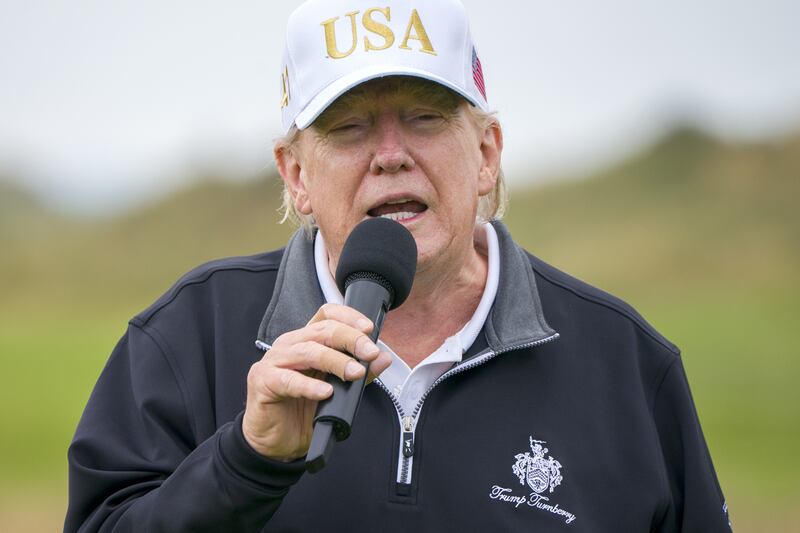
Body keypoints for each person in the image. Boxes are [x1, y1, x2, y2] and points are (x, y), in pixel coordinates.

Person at [65, 0, 732, 531]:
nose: (389, 153)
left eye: (424, 116)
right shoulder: (188, 340)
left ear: (487, 153)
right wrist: (245, 461)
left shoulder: (626, 365)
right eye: (349, 126)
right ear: (296, 173)